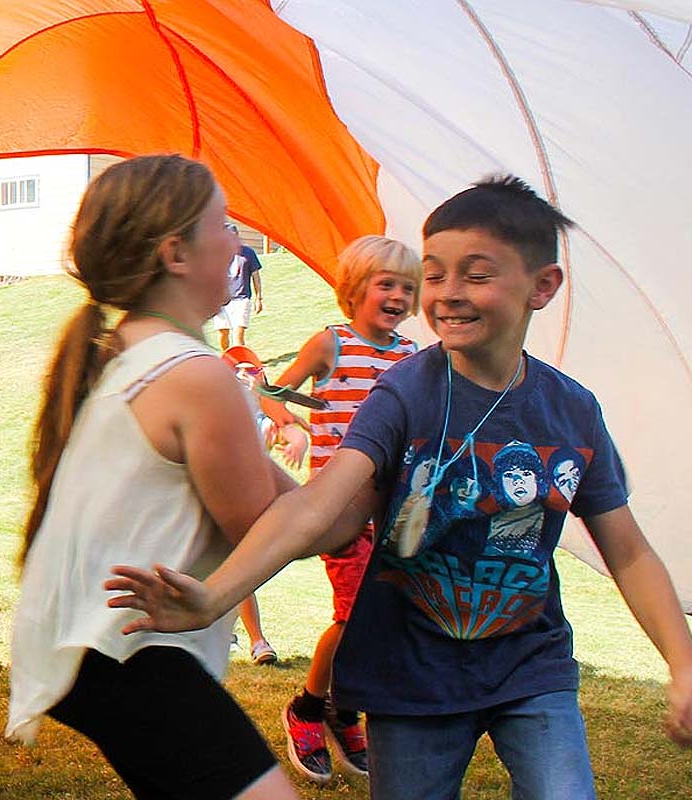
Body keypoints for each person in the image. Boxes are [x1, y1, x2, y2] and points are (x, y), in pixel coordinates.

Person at [108, 176, 692, 798]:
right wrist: (213, 596)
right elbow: (316, 508)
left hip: (531, 667)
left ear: (542, 286)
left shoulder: (571, 410)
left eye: (476, 274)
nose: (447, 295)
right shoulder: (405, 394)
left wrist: (682, 665)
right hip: (410, 674)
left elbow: (628, 550)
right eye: (434, 275)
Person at [5, 154, 300, 800]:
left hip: (94, 646)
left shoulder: (135, 352)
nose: (237, 241)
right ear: (175, 253)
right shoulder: (194, 374)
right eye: (223, 224)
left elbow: (302, 509)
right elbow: (271, 527)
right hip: (129, 652)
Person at [256, 235, 421, 783]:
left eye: (408, 287)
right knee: (354, 615)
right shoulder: (333, 345)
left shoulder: (410, 357)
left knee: (379, 617)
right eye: (386, 284)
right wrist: (287, 422)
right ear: (354, 290)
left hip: (394, 511)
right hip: (338, 507)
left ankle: (342, 710)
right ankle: (309, 708)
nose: (398, 295)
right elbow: (270, 391)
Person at [210, 223, 263, 349]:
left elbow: (256, 276)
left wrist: (259, 298)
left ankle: (240, 364)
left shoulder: (248, 253)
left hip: (242, 298)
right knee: (223, 333)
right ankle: (227, 358)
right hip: (221, 301)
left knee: (238, 335)